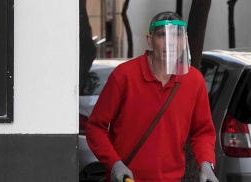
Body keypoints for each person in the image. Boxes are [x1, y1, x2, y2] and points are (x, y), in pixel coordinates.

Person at [86, 11, 218, 182]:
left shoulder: (194, 80)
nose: (170, 42)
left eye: (177, 36)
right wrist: (114, 163)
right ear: (149, 39)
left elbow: (203, 131)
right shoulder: (124, 75)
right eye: (162, 35)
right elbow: (95, 127)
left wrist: (206, 164)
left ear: (184, 41)